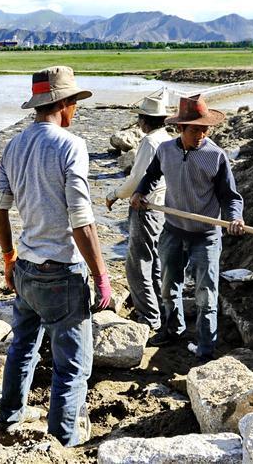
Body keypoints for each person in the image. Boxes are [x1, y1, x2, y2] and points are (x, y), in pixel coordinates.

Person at [0, 65, 112, 447]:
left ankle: (8, 420)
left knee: (22, 349)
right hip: (62, 272)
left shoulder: (14, 145)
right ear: (63, 104)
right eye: (73, 102)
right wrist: (101, 275)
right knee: (72, 366)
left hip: (26, 268)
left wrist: (9, 257)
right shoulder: (70, 145)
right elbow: (81, 220)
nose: (75, 109)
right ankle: (62, 444)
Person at [131, 94, 244, 363]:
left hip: (205, 236)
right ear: (180, 128)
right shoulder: (166, 150)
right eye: (195, 129)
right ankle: (174, 329)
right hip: (172, 230)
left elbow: (230, 196)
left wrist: (234, 217)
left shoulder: (215, 156)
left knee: (206, 294)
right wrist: (139, 192)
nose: (201, 135)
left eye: (205, 129)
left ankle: (206, 346)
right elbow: (151, 175)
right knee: (170, 286)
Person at [105, 89, 170, 330]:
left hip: (146, 207)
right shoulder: (167, 139)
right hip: (162, 208)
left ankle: (149, 317)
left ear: (144, 120)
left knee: (137, 265)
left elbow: (136, 181)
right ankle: (161, 310)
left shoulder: (150, 142)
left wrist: (113, 195)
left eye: (140, 118)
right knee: (154, 261)